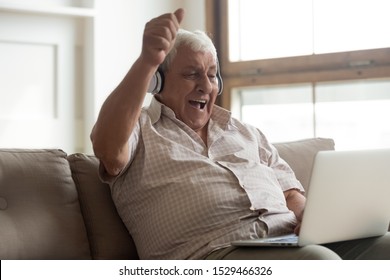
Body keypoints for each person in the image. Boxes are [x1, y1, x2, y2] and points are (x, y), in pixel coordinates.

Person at [90, 8, 390, 260]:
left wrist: (311, 220)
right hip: (215, 255)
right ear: (157, 82)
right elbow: (108, 150)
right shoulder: (140, 129)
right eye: (191, 74)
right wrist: (146, 61)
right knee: (317, 262)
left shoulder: (245, 132)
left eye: (211, 74)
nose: (206, 86)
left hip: (286, 243)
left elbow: (290, 193)